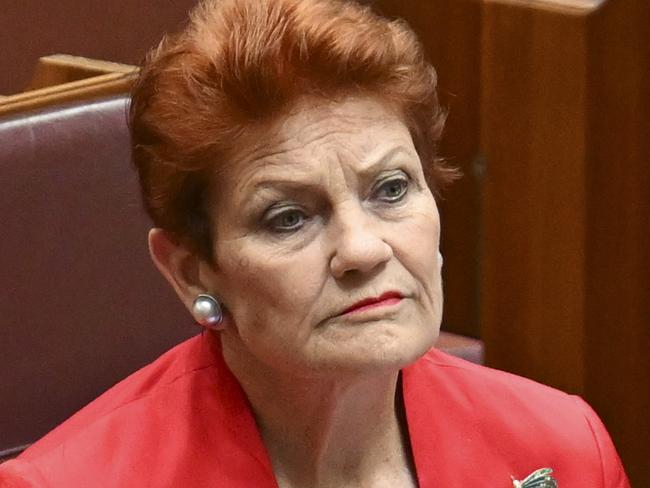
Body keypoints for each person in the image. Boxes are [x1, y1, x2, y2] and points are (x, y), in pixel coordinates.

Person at [0, 0, 630, 486]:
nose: (363, 249)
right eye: (287, 218)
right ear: (193, 272)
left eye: (389, 188)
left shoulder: (561, 446)